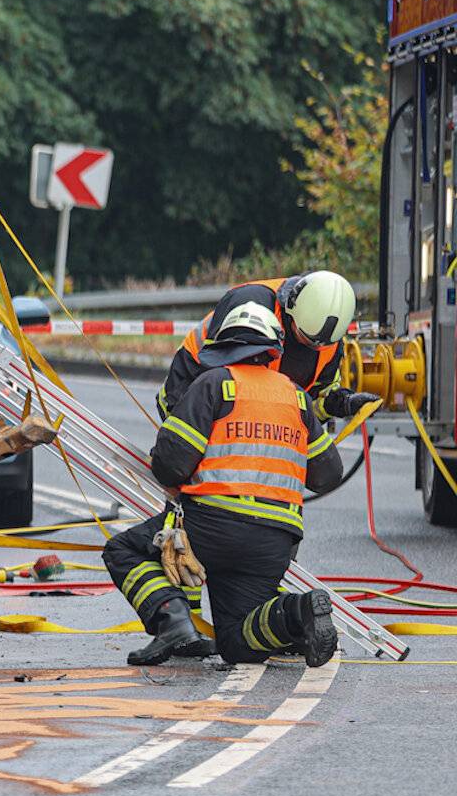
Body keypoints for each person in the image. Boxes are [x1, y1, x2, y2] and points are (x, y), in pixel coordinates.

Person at [105, 301, 344, 668]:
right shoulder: (297, 397)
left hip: (211, 528)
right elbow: (327, 473)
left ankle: (173, 623)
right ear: (272, 348)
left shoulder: (215, 384)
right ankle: (299, 612)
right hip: (274, 540)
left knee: (124, 550)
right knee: (236, 644)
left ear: (224, 345)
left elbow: (169, 464)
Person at [158, 271, 373, 420]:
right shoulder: (251, 306)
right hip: (187, 395)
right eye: (303, 337)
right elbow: (218, 387)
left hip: (256, 429)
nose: (311, 347)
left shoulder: (329, 342)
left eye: (317, 345)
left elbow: (309, 408)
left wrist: (339, 404)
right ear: (291, 308)